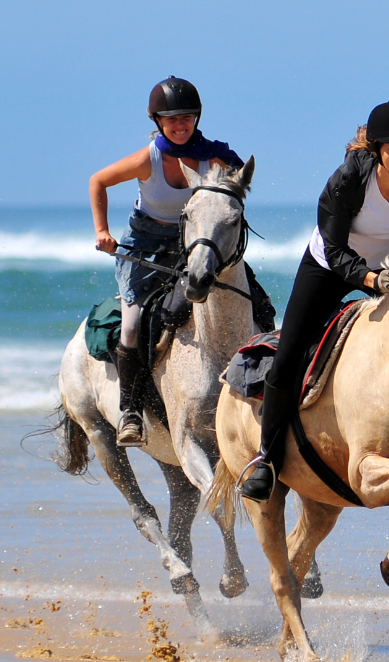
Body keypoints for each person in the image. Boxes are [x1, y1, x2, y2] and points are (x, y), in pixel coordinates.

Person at [237, 99, 389, 501]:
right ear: (376, 149)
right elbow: (336, 250)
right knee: (288, 357)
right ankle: (266, 459)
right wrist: (371, 278)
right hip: (329, 268)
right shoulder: (348, 180)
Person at [90, 76, 243, 447]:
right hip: (143, 248)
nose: (180, 125)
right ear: (157, 121)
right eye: (172, 119)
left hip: (192, 244)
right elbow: (98, 181)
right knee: (133, 324)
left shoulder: (213, 155)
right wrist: (102, 231)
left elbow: (235, 192)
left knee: (253, 301)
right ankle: (129, 412)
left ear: (197, 117)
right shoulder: (149, 158)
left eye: (187, 118)